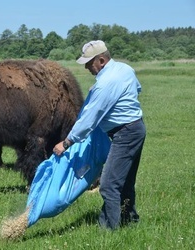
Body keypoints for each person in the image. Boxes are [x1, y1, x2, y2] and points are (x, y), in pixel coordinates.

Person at [53, 40, 146, 230]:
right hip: (137, 128)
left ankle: (109, 230)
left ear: (101, 60)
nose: (87, 67)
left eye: (89, 63)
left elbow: (89, 119)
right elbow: (137, 89)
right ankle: (130, 220)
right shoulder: (125, 68)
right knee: (125, 180)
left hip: (125, 133)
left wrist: (67, 142)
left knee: (108, 184)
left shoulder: (105, 83)